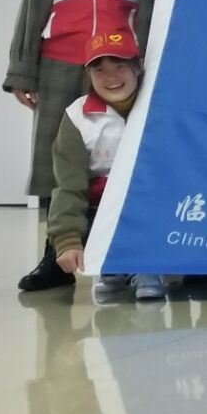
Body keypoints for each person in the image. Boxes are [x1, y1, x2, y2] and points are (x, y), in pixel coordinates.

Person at [7, 0, 158, 292]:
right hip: (60, 64)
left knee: (121, 156)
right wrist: (23, 71)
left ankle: (125, 252)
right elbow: (32, 11)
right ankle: (55, 255)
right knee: (55, 161)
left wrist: (148, 68)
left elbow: (149, 16)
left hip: (118, 66)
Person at [43, 31, 166, 299]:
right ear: (88, 74)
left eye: (120, 66)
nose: (111, 77)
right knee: (93, 207)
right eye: (99, 70)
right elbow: (68, 186)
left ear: (138, 67)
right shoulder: (77, 117)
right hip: (101, 209)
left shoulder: (161, 107)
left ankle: (147, 267)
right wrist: (67, 240)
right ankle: (112, 266)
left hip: (153, 204)